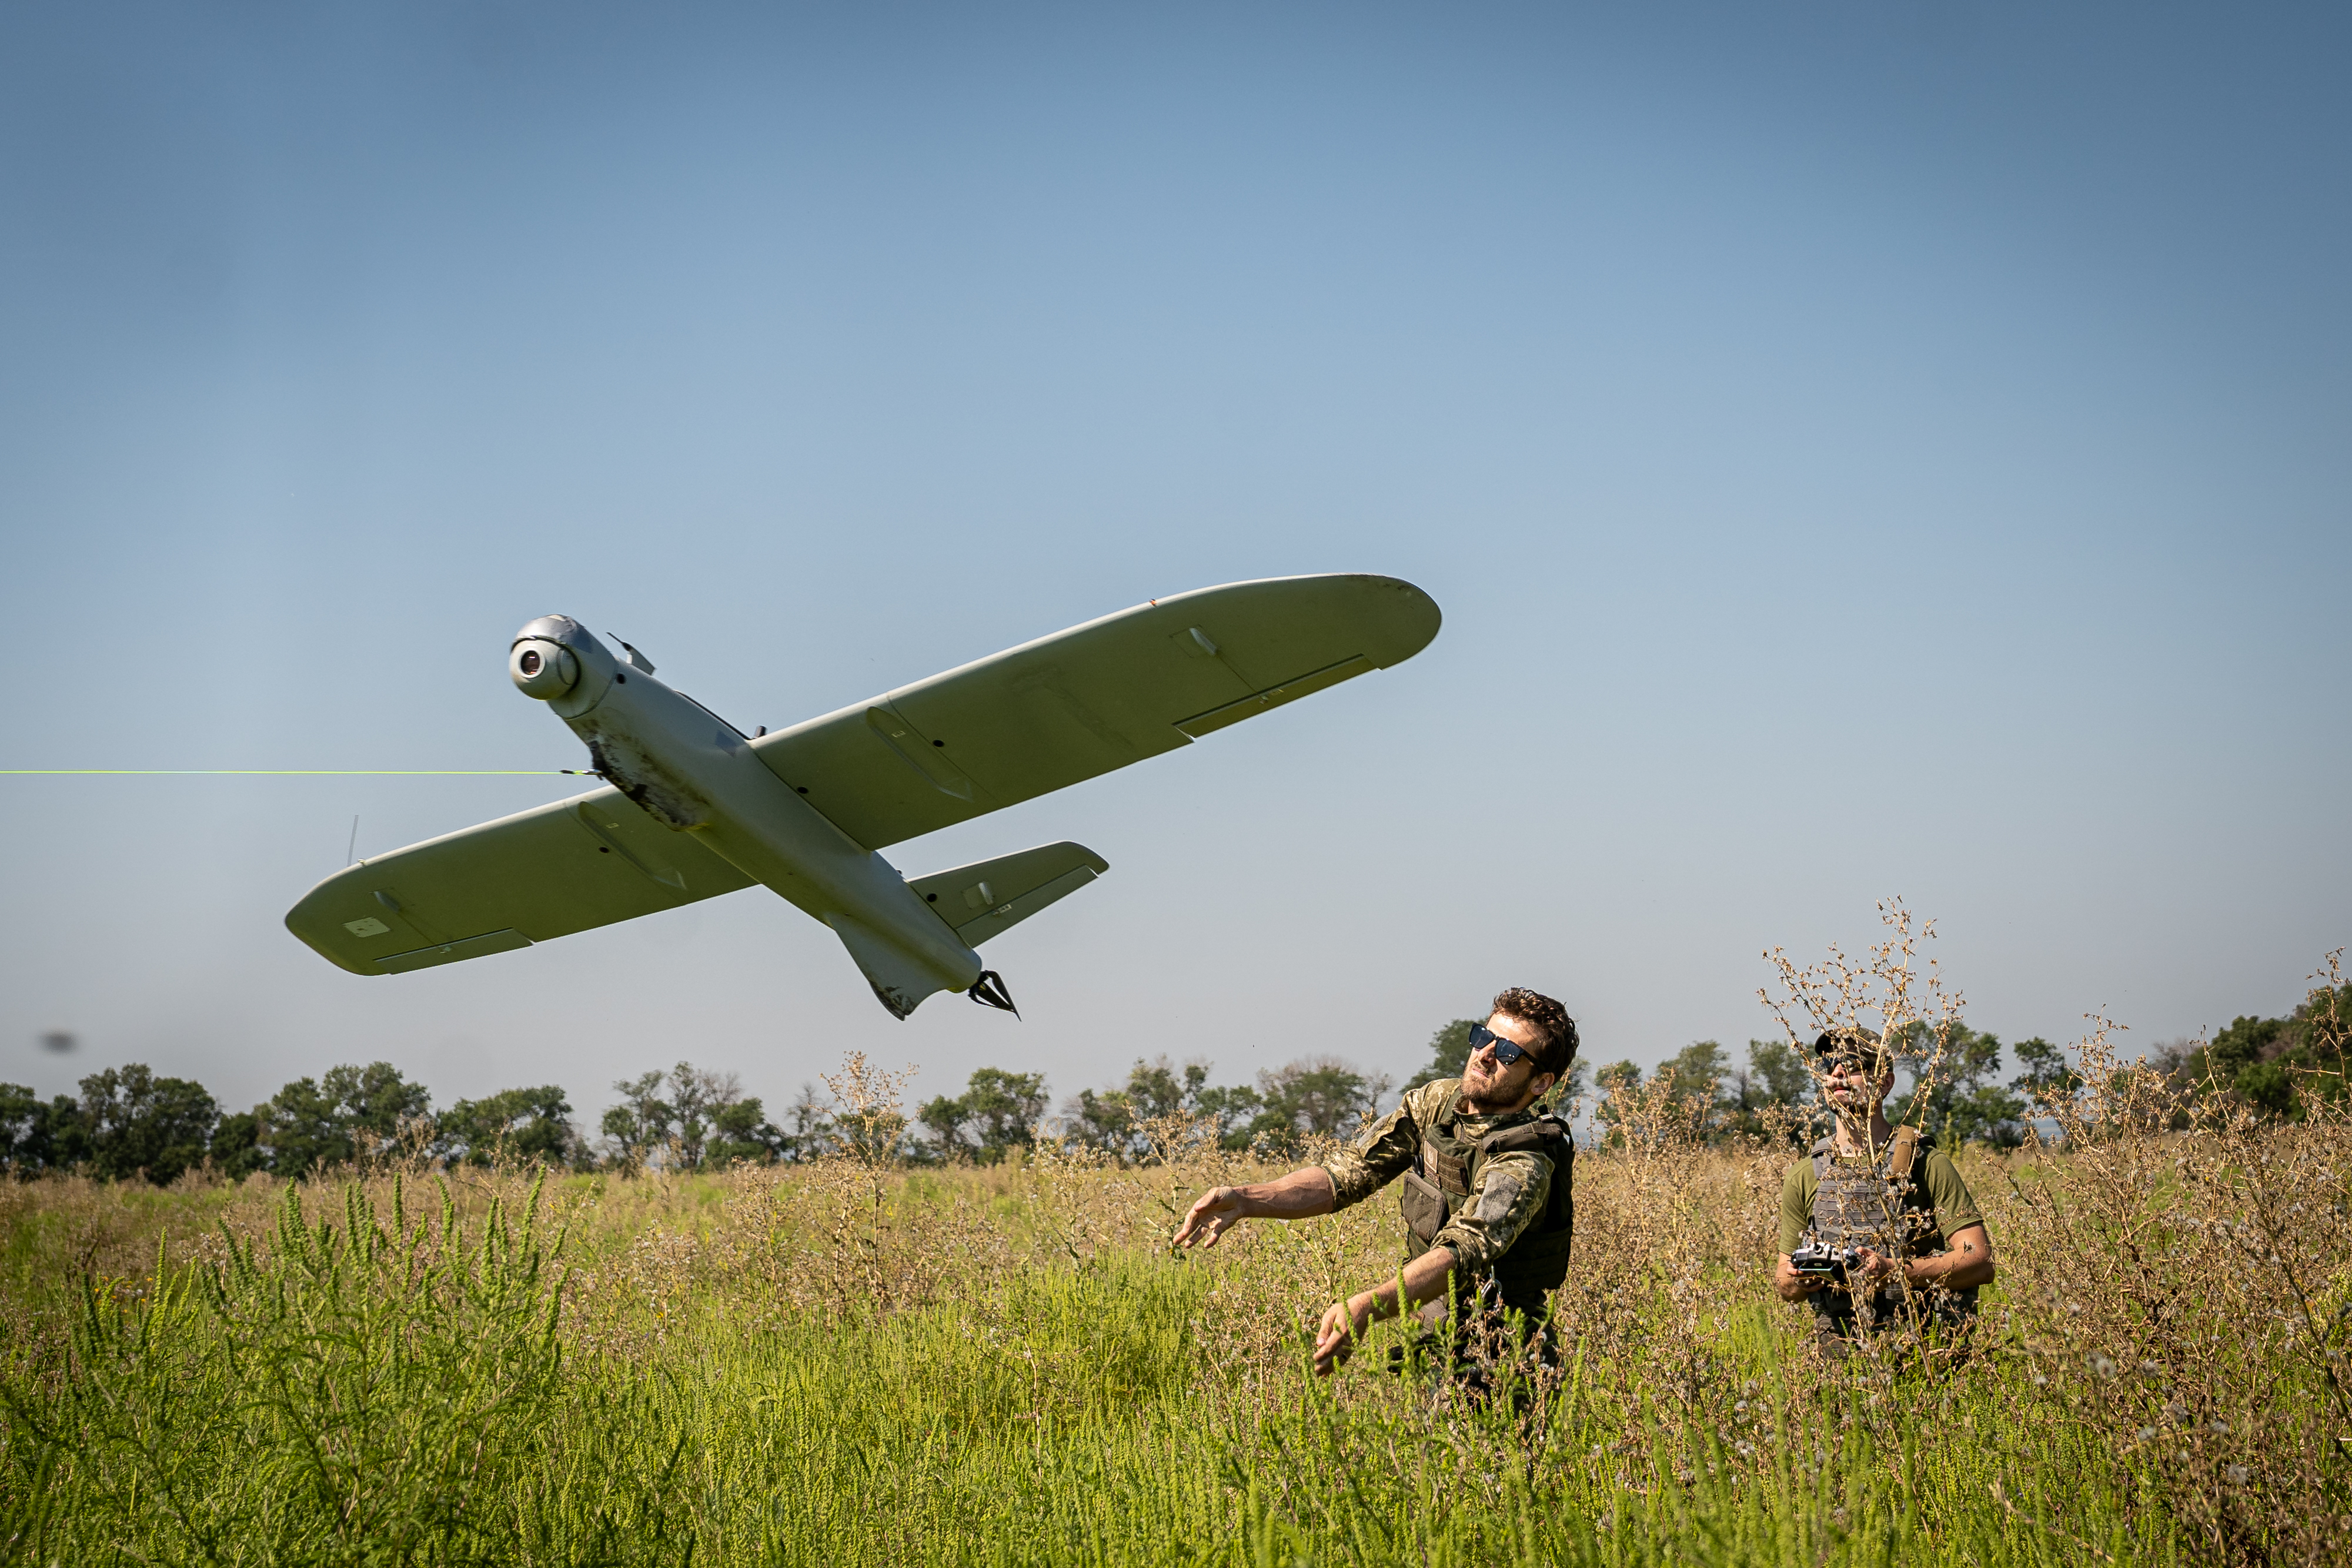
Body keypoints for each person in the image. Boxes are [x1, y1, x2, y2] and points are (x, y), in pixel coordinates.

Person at [1173, 987, 1579, 1383]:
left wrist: (1366, 1306)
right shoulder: (1436, 1103)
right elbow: (1346, 1174)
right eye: (1484, 1037)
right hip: (1435, 1323)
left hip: (1507, 1352)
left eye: (1507, 1052)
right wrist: (1246, 1198)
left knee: (1496, 1450)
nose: (1486, 1054)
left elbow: (1460, 1253)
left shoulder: (1524, 1159)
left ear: (1540, 1082)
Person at [1774, 1026, 1997, 1355]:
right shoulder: (1805, 1175)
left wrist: (1893, 1272)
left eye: (1853, 1066)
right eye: (1831, 1065)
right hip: (1843, 1364)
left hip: (1926, 1354)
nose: (1838, 1073)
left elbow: (1980, 1260)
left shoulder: (1925, 1163)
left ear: (1885, 1082)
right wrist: (1800, 1279)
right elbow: (1784, 1282)